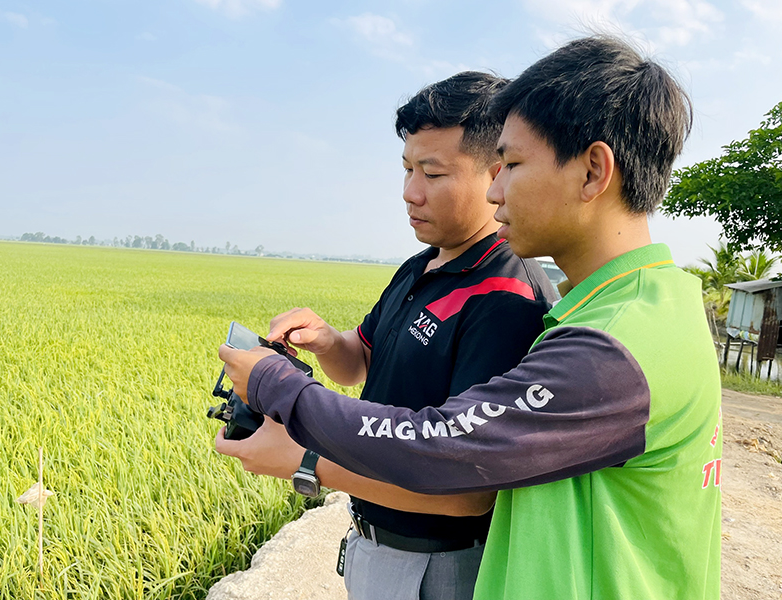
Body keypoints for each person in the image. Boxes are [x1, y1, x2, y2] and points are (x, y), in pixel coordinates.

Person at [217, 35, 722, 600]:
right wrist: (325, 352)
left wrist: (280, 396)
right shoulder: (631, 306)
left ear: (592, 172)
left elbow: (440, 450)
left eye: (511, 164)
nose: (496, 189)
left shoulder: (610, 345)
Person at [218, 71, 556, 600]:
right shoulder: (419, 268)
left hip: (440, 564)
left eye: (433, 173)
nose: (409, 192)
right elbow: (361, 363)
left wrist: (307, 462)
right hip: (373, 543)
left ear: (496, 174)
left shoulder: (505, 300)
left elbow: (467, 494)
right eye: (406, 169)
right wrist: (328, 340)